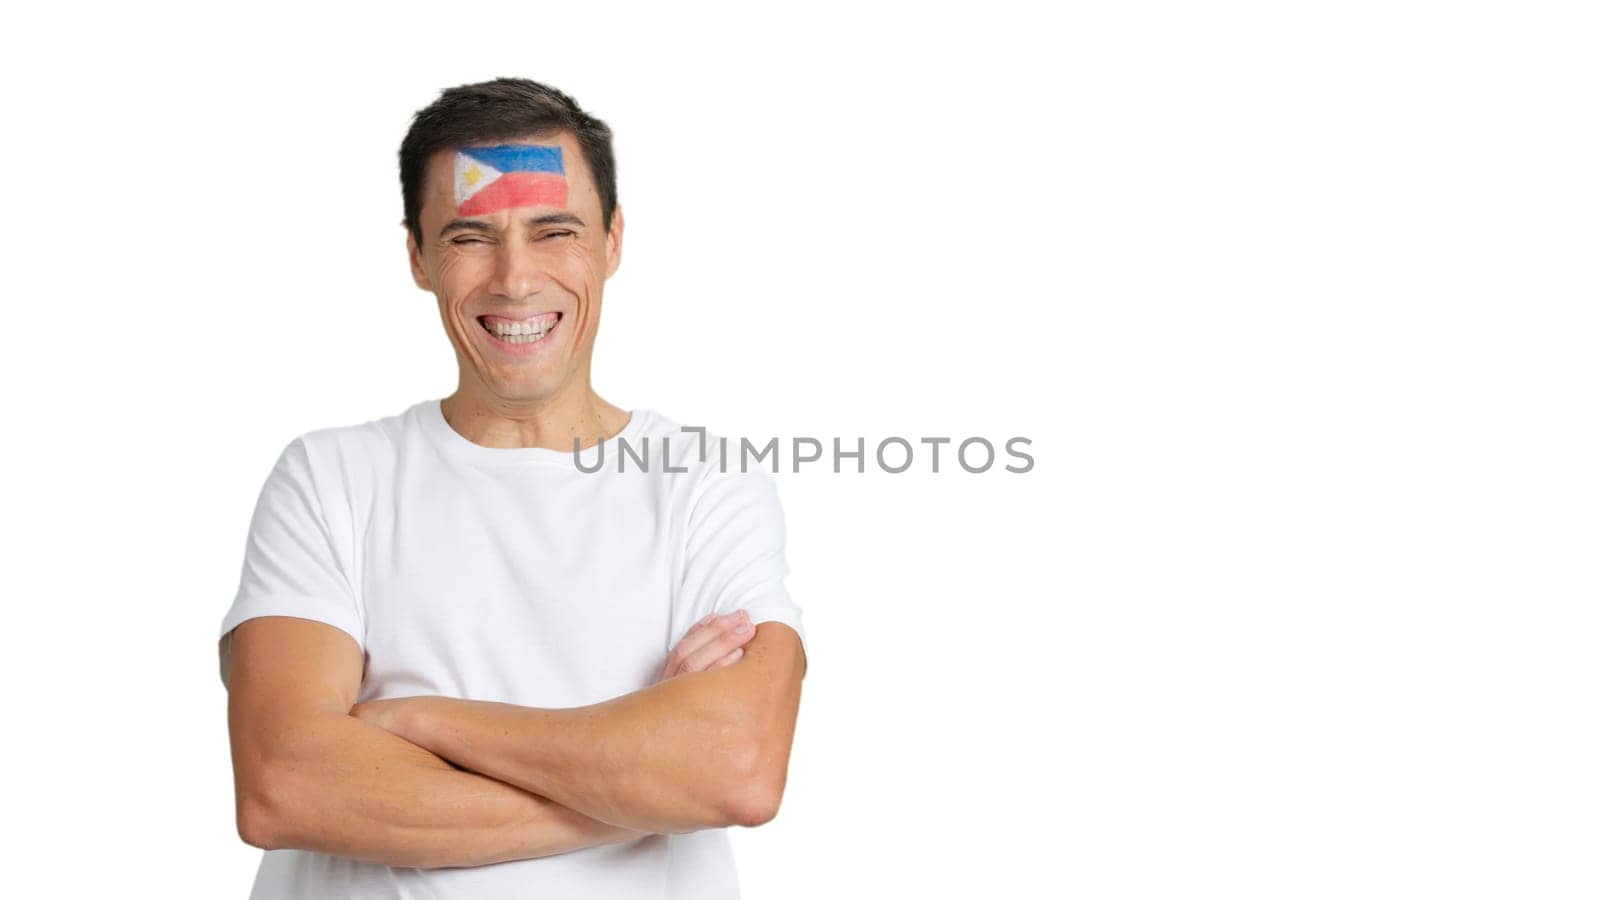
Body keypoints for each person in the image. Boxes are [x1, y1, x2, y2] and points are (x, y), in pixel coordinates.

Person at [217, 77, 808, 900]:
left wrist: (416, 719)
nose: (515, 279)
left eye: (553, 230)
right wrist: (640, 784)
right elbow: (285, 785)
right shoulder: (330, 480)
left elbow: (737, 771)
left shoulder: (707, 485)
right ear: (418, 257)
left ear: (613, 239)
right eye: (469, 238)